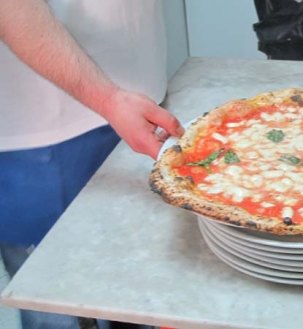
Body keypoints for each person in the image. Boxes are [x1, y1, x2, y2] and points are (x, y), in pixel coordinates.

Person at [0, 0, 183, 328]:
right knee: (57, 309)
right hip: (45, 132)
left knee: (143, 290)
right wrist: (108, 99)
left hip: (139, 97)